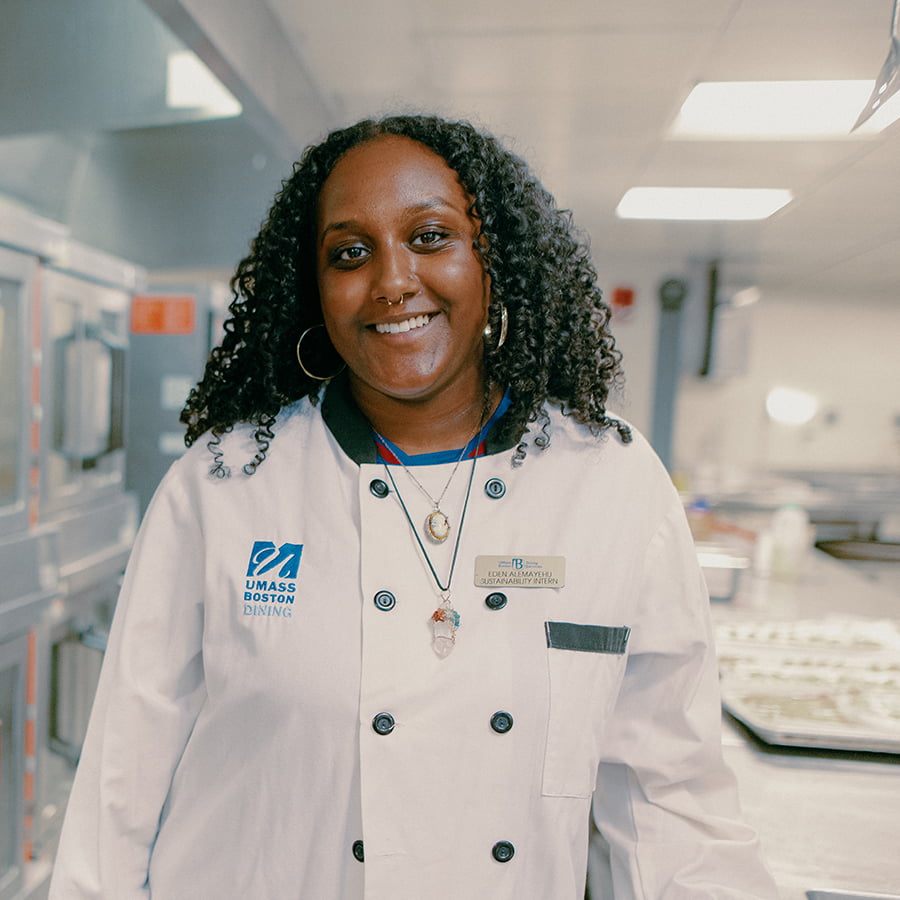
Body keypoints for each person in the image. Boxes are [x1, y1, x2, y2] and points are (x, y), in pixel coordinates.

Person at [49, 114, 777, 899]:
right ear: (315, 290)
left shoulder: (608, 481)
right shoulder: (222, 485)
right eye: (350, 253)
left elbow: (671, 800)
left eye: (430, 237)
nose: (393, 281)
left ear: (494, 261)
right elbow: (118, 787)